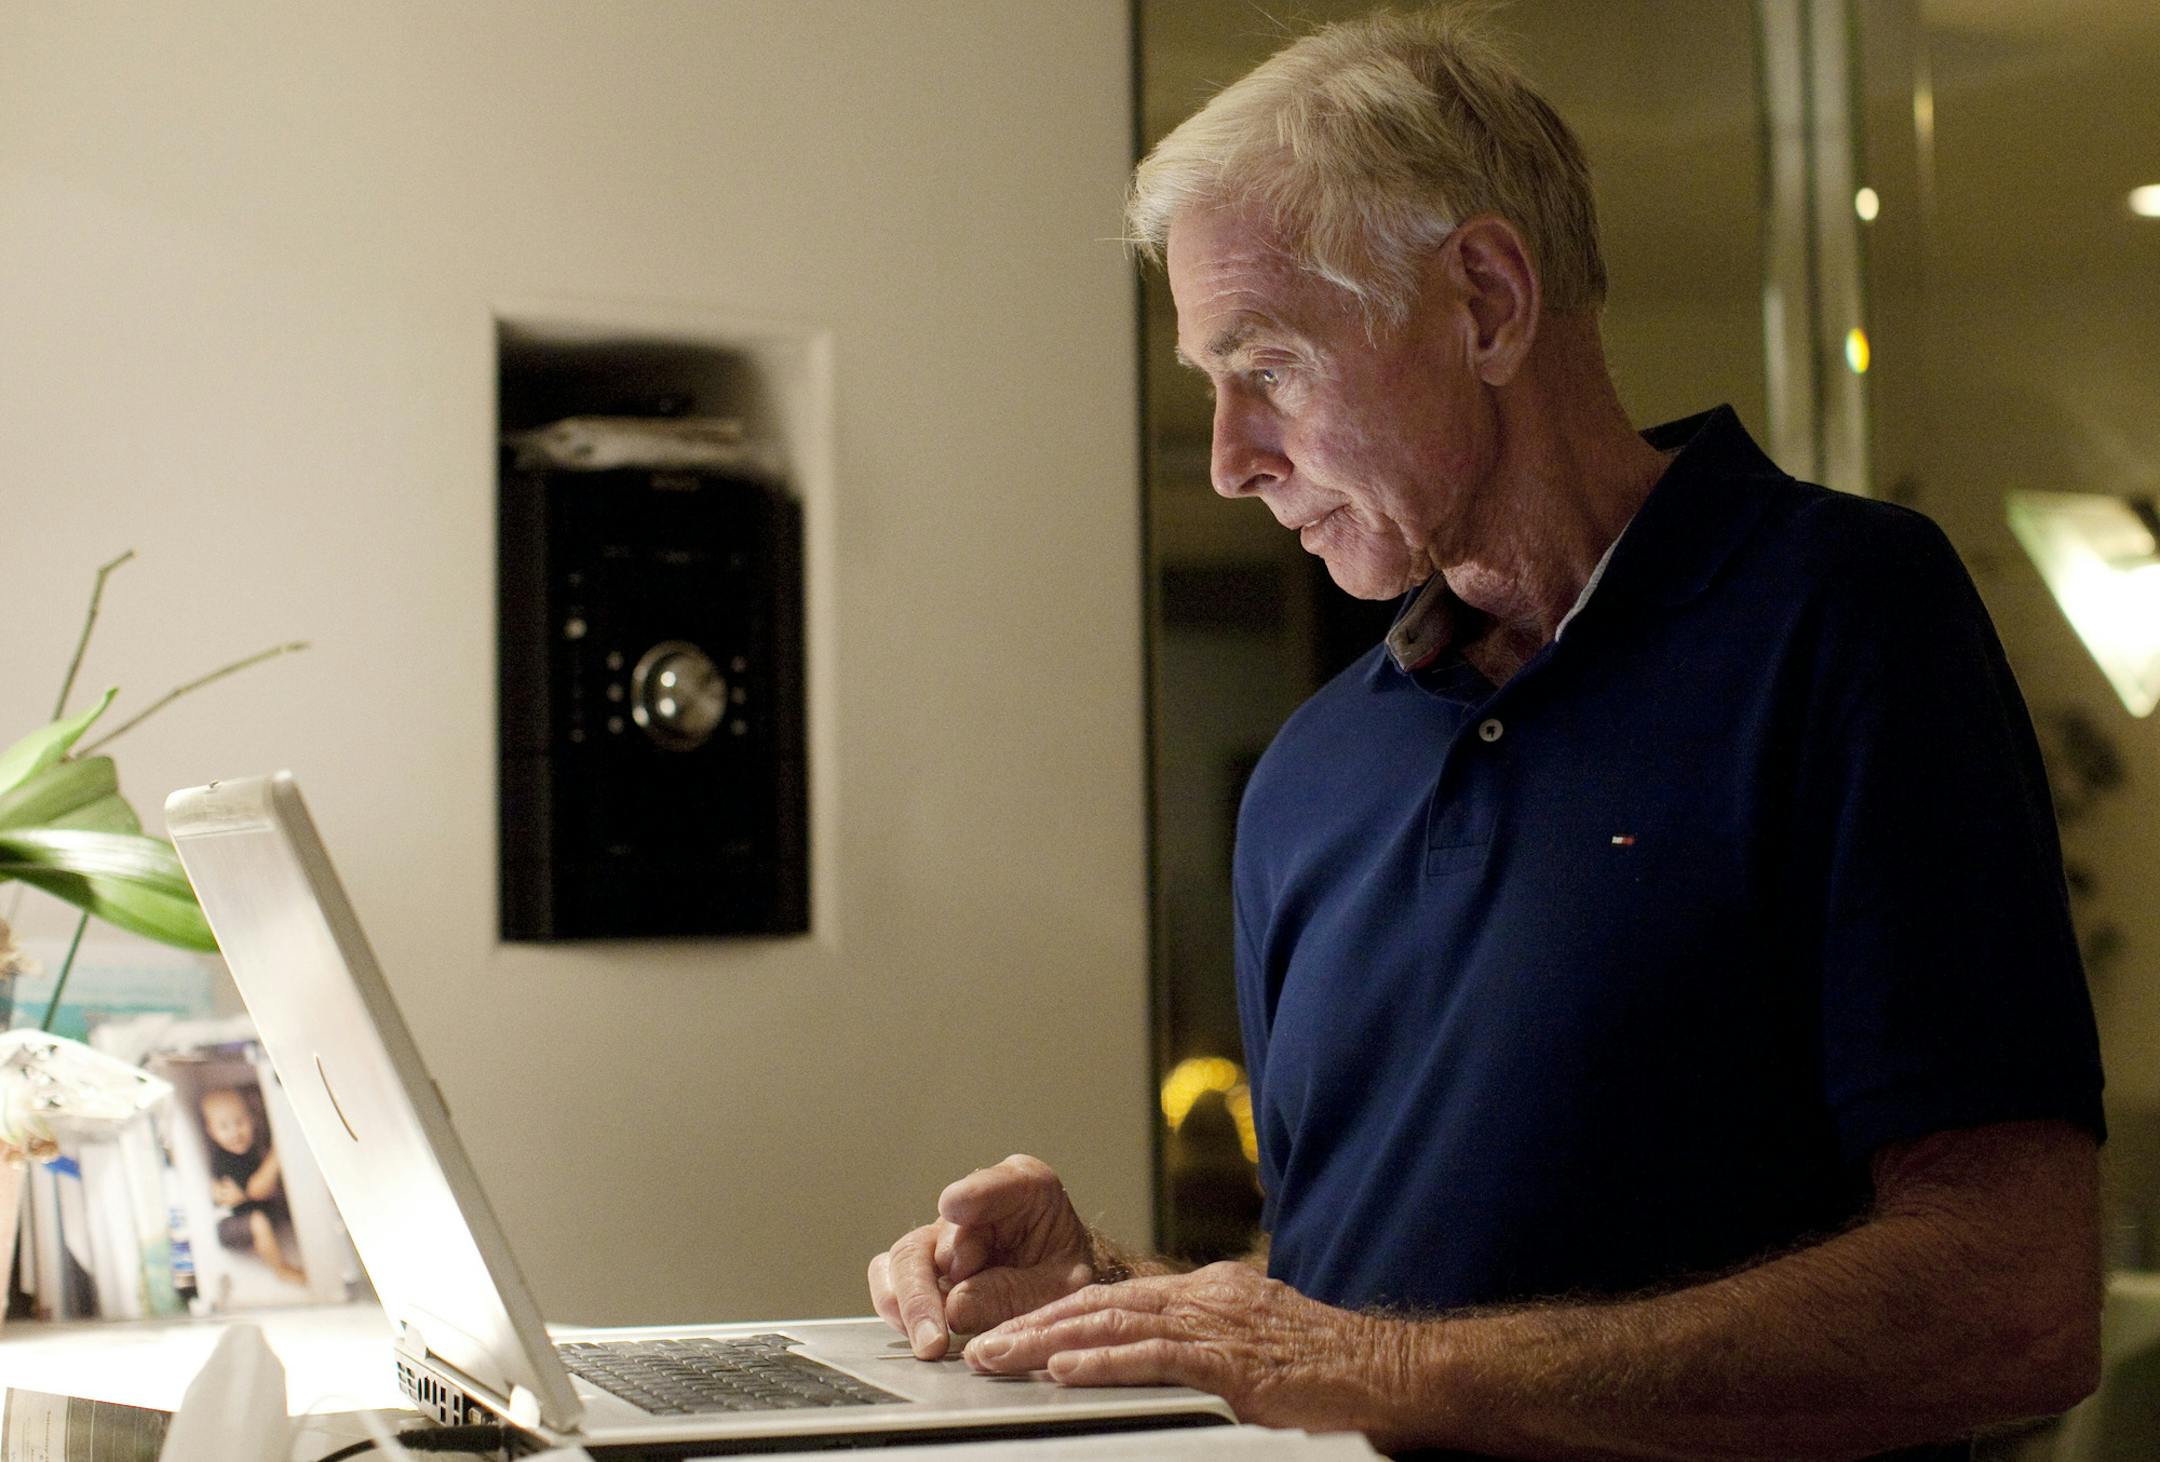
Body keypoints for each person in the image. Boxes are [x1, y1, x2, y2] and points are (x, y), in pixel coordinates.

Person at [870, 9, 2106, 1458]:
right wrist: (1108, 1297)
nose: (1228, 462)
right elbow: (1348, 1307)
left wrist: (1376, 1366)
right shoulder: (1312, 773)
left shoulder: (1846, 617)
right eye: (1213, 384)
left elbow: (2013, 1300)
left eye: (1268, 366)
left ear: (1486, 300)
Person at [201, 1085, 306, 1285]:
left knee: (279, 1205)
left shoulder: (252, 1146)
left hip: (257, 1212)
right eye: (224, 1127)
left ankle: (261, 1244)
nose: (235, 1132)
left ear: (251, 1120)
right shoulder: (225, 1160)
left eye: (240, 1122)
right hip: (229, 1224)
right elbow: (256, 1190)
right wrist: (277, 1153)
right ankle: (281, 1270)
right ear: (211, 1132)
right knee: (258, 1221)